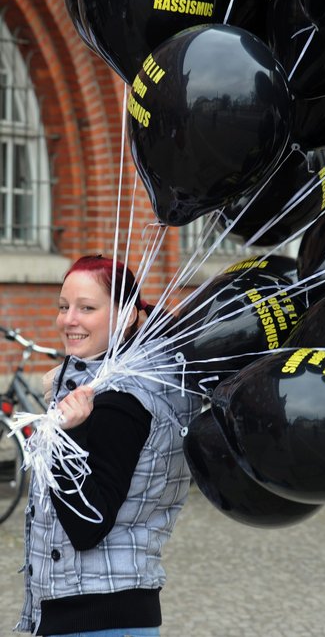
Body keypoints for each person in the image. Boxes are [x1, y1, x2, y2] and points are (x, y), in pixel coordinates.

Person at [17, 255, 202, 637]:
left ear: (127, 315)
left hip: (95, 618)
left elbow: (88, 525)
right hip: (111, 611)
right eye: (63, 307)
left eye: (87, 308)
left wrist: (67, 435)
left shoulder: (120, 403)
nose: (69, 320)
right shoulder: (143, 381)